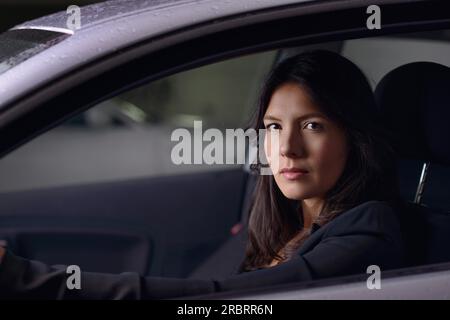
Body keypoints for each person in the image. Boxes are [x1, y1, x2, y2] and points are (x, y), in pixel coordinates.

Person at [0, 50, 405, 299]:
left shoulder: (369, 230)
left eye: (313, 125)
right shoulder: (283, 222)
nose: (287, 148)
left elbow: (222, 300)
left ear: (354, 137)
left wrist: (29, 279)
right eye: (274, 127)